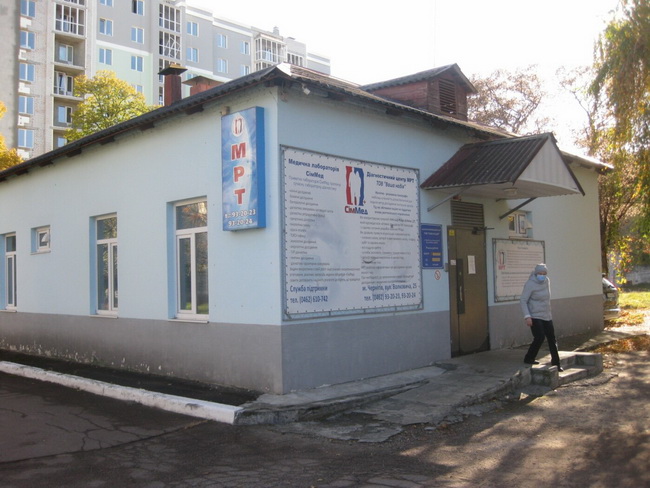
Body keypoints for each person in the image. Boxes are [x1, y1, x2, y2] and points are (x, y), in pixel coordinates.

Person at [520, 263, 563, 371]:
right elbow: (523, 300)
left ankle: (556, 363)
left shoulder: (546, 281)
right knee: (539, 337)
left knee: (552, 338)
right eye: (540, 273)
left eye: (544, 273)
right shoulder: (530, 284)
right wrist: (527, 316)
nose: (542, 275)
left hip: (546, 314)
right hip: (534, 315)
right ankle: (529, 357)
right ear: (536, 273)